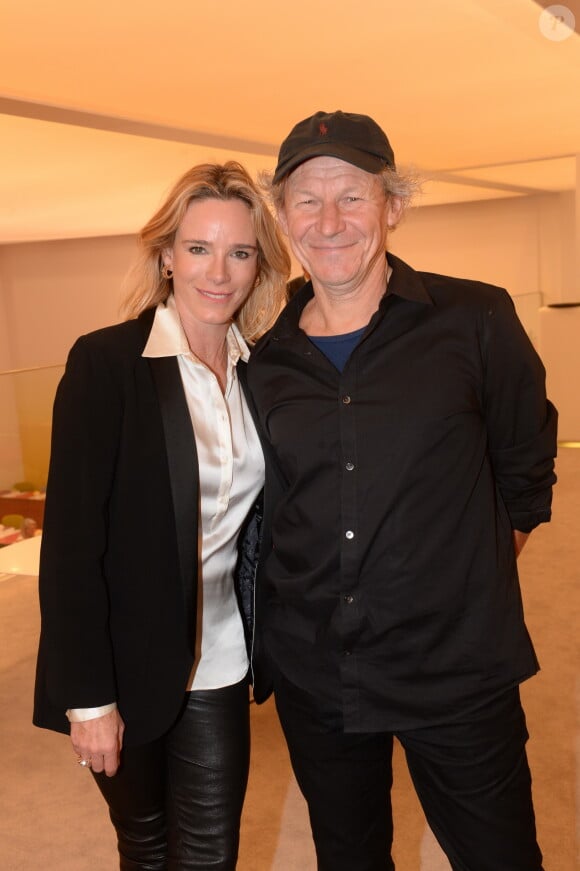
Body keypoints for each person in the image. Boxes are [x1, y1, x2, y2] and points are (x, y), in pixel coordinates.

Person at [245, 111, 558, 871]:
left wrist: (458, 575)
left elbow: (524, 473)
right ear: (282, 217)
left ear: (393, 204)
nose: (329, 221)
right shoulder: (262, 354)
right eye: (306, 200)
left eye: (351, 195)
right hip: (319, 674)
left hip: (455, 667)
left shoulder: (477, 318)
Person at [33, 161, 290, 870]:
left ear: (258, 263)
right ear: (167, 257)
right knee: (146, 847)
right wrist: (87, 699)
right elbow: (72, 548)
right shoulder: (108, 364)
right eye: (199, 248)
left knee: (210, 851)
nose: (219, 271)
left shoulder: (261, 372)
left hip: (221, 656)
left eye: (239, 252)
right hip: (124, 660)